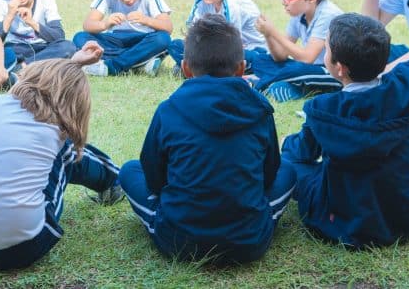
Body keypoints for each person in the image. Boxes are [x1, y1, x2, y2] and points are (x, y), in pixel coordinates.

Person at [281, 0, 409, 249]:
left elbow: (301, 152)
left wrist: (287, 144)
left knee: (291, 164)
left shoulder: (324, 111)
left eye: (327, 48)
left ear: (339, 68)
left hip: (350, 226)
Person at [0, 43, 122, 270]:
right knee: (67, 153)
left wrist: (72, 64)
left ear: (25, 77)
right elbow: (56, 90)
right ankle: (114, 181)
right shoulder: (55, 131)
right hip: (22, 251)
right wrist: (73, 65)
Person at [119, 15, 295, 264]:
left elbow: (154, 177)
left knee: (129, 171)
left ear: (185, 68)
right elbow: (269, 174)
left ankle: (171, 217)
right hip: (249, 241)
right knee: (288, 170)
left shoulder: (168, 110)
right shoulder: (260, 110)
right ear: (241, 69)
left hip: (178, 240)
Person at [250, 0, 344, 102]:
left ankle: (260, 85)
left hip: (333, 72)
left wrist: (273, 32)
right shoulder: (300, 13)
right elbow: (280, 56)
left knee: (296, 70)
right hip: (308, 69)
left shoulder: (328, 15)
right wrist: (268, 35)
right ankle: (285, 86)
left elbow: (307, 58)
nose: (284, 1)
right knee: (261, 59)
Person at [72, 0, 172, 76]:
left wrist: (146, 20)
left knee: (163, 39)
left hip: (142, 40)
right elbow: (88, 25)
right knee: (80, 37)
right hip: (115, 40)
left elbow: (168, 27)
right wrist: (105, 24)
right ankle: (139, 62)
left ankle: (112, 67)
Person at [168, 0, 266, 75]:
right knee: (175, 45)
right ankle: (210, 71)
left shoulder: (233, 5)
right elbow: (192, 34)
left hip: (248, 51)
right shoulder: (201, 0)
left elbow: (233, 45)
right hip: (217, 47)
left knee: (250, 58)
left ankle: (197, 69)